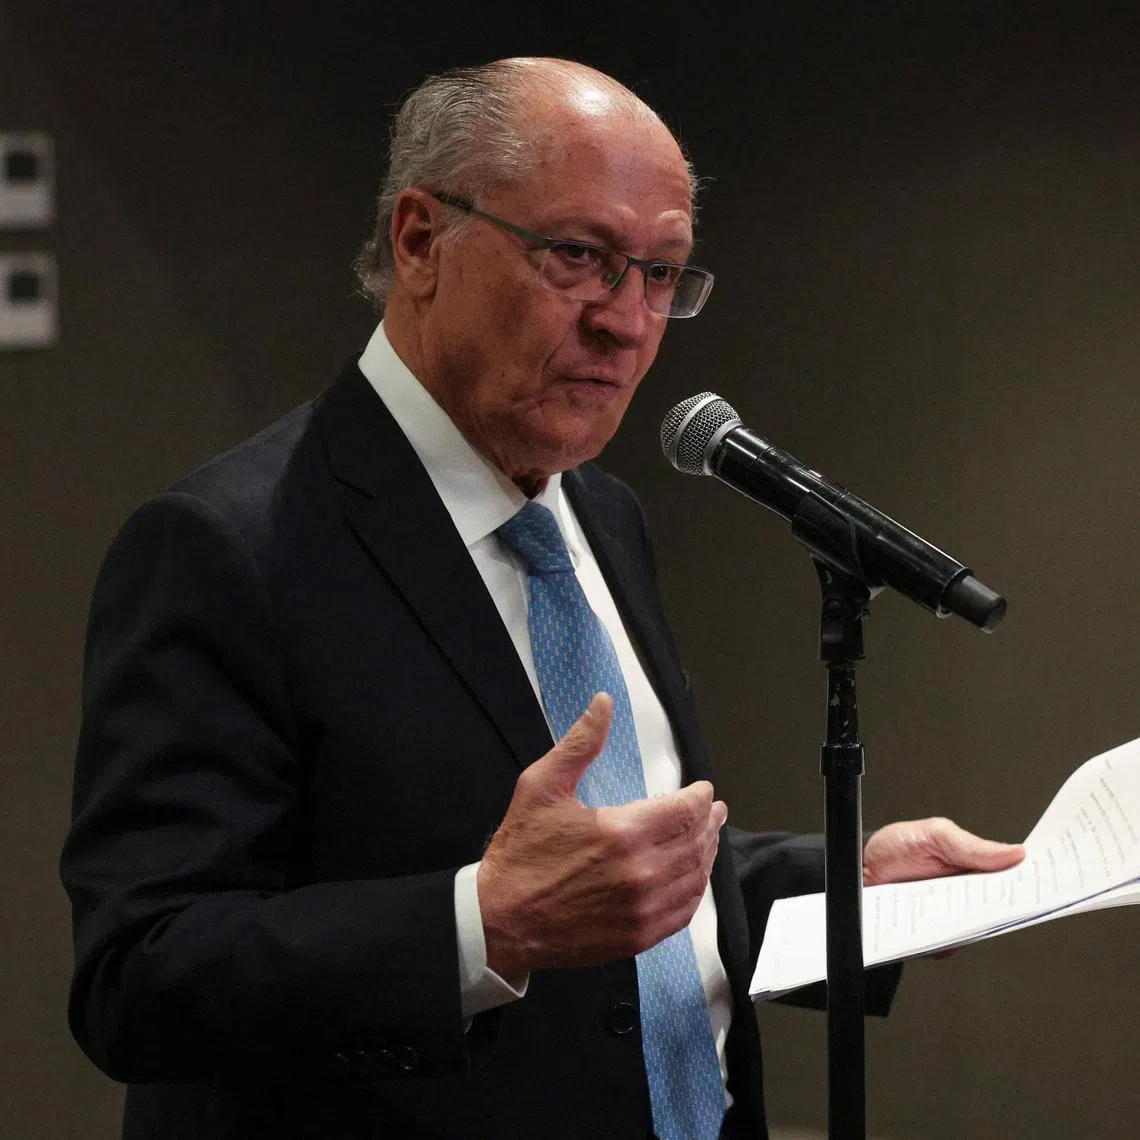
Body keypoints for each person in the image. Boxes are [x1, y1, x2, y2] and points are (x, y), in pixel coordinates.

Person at [61, 57, 1023, 1140]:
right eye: (581, 257)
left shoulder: (602, 516)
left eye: (663, 274)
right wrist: (484, 924)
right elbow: (141, 978)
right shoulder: (227, 547)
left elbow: (616, 885)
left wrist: (844, 882)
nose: (628, 321)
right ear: (421, 240)